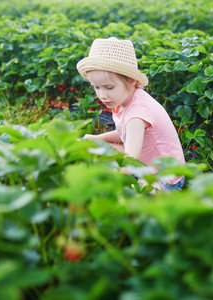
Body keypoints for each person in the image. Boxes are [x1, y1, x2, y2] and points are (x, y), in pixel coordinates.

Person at [76, 37, 185, 191]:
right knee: (98, 147)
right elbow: (124, 132)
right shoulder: (122, 101)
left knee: (140, 192)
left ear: (131, 81)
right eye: (96, 87)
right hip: (144, 162)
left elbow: (131, 159)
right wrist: (97, 138)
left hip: (164, 175)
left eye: (109, 87)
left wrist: (118, 183)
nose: (102, 95)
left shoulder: (137, 113)